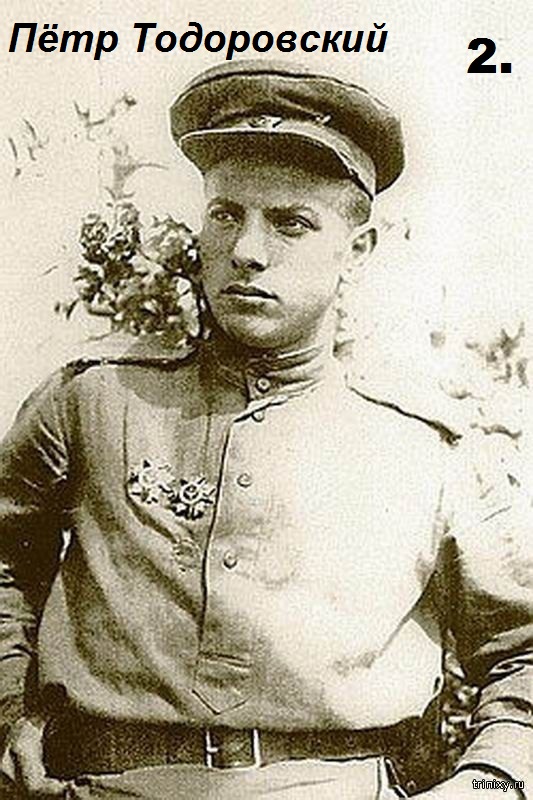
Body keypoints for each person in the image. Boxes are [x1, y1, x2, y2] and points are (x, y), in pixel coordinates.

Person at [0, 60, 531, 799]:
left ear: (357, 250)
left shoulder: (429, 446)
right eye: (226, 214)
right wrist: (7, 709)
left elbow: (521, 646)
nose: (247, 250)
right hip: (100, 783)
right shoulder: (93, 398)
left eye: (290, 223)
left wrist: (491, 780)